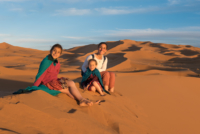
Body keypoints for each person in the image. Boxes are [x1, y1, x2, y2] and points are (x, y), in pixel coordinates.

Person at [14, 44, 93, 106]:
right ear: (51, 50)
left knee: (71, 83)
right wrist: (35, 86)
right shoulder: (46, 61)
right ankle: (81, 101)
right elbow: (40, 74)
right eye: (54, 50)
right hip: (48, 82)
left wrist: (59, 81)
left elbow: (55, 74)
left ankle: (82, 99)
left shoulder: (57, 62)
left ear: (60, 54)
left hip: (54, 80)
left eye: (58, 52)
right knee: (67, 90)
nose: (56, 53)